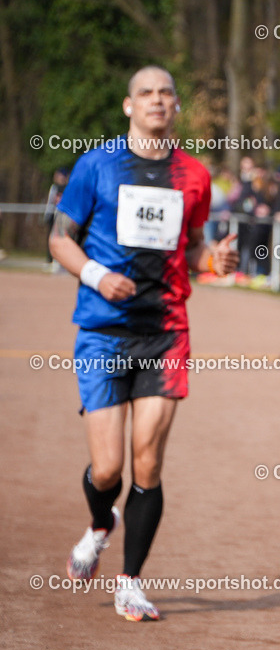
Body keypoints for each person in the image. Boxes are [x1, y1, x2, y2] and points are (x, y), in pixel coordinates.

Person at [49, 65, 239, 621]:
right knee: (107, 470)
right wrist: (96, 276)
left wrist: (215, 261)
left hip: (165, 330)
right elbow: (60, 238)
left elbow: (197, 249)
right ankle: (100, 523)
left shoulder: (195, 176)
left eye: (166, 93)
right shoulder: (98, 165)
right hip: (104, 329)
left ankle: (130, 582)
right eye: (146, 93)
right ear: (129, 106)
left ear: (176, 107)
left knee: (147, 463)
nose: (158, 101)